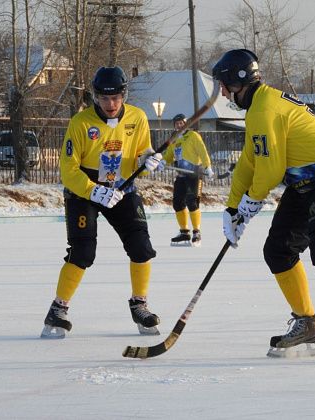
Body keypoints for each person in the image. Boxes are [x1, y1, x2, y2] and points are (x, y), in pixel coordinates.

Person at [212, 49, 315, 362]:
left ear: (238, 80)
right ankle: (307, 324)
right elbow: (249, 161)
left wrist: (250, 205)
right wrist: (232, 208)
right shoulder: (258, 108)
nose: (222, 92)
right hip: (305, 183)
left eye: (224, 84)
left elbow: (270, 171)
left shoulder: (265, 109)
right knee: (278, 250)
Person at [41, 66, 165, 339]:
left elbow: (141, 152)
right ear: (95, 97)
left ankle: (139, 304)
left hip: (122, 188)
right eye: (105, 98)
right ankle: (58, 309)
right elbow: (68, 170)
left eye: (117, 98)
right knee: (83, 252)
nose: (111, 104)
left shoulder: (137, 118)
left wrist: (148, 159)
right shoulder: (81, 122)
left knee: (141, 247)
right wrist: (92, 191)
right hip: (84, 191)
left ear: (124, 95)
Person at [162, 113, 214, 246]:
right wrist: (162, 162)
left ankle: (197, 232)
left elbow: (202, 151)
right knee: (177, 203)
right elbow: (169, 156)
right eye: (177, 124)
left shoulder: (193, 136)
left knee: (192, 202)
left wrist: (207, 166)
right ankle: (184, 232)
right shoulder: (174, 139)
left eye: (181, 123)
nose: (179, 125)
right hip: (181, 176)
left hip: (194, 175)